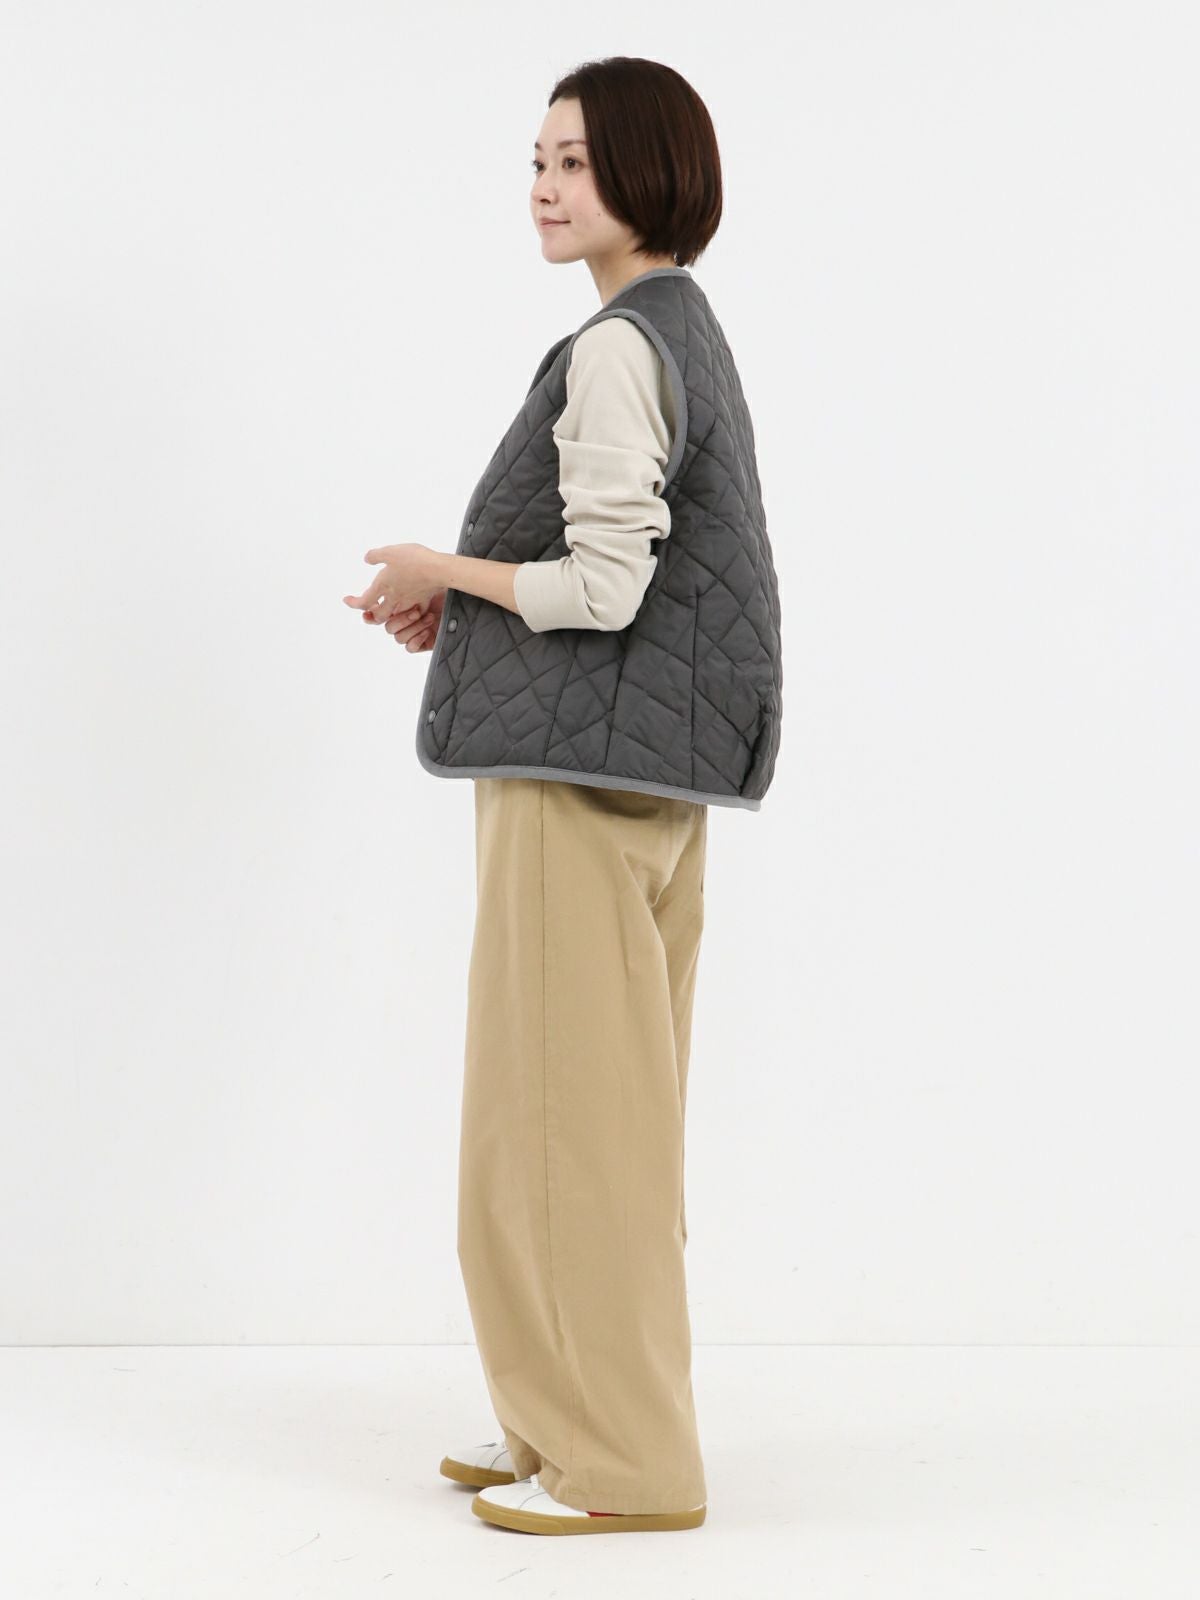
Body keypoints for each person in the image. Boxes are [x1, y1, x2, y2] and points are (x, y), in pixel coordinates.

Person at [344, 56, 782, 1536]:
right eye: (536, 159)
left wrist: (441, 571)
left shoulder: (614, 348)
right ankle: (555, 1418)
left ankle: (620, 1466)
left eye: (576, 161)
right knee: (600, 1124)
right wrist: (469, 606)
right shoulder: (680, 329)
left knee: (551, 1130)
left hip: (573, 789)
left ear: (650, 171)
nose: (543, 186)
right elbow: (633, 572)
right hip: (650, 781)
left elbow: (602, 588)